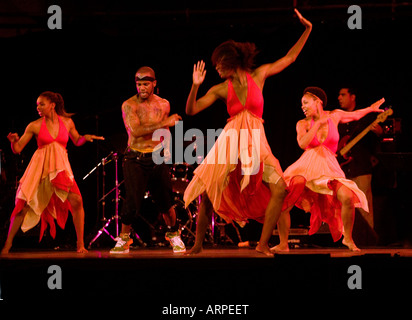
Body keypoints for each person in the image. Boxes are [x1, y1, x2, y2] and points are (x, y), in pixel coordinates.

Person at [183, 9, 312, 256]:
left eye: (220, 64)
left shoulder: (259, 75)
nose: (217, 69)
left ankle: (263, 243)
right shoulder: (222, 88)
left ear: (232, 62)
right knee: (209, 192)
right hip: (230, 141)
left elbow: (290, 58)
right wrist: (195, 86)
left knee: (278, 188)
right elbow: (192, 109)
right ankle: (198, 244)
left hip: (256, 142)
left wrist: (308, 29)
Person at [272, 87, 385, 252]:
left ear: (317, 101)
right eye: (301, 104)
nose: (302, 107)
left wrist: (370, 109)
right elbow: (303, 143)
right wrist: (317, 124)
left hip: (329, 167)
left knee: (347, 197)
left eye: (305, 103)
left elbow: (355, 115)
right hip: (307, 166)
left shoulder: (335, 115)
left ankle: (348, 238)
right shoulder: (302, 123)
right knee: (285, 199)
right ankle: (283, 243)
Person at [1, 91, 104, 254]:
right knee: (23, 206)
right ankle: (7, 244)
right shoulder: (34, 125)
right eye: (37, 105)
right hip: (40, 168)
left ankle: (80, 244)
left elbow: (76, 140)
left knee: (77, 201)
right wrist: (14, 142)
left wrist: (86, 137)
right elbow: (18, 149)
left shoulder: (67, 122)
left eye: (41, 104)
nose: (38, 108)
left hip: (60, 168)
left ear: (52, 105)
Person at [110, 66, 186, 254]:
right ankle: (124, 239)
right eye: (139, 84)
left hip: (158, 156)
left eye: (145, 84)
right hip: (135, 157)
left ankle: (174, 234)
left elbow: (165, 131)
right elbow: (135, 131)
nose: (142, 88)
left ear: (154, 83)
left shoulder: (164, 104)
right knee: (132, 203)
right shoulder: (129, 105)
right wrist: (164, 123)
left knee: (166, 202)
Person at [337, 87, 382, 231]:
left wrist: (379, 131)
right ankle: (345, 238)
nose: (339, 97)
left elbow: (380, 135)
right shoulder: (339, 118)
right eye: (339, 95)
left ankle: (368, 242)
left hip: (361, 167)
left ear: (352, 97)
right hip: (343, 169)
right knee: (344, 206)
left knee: (364, 206)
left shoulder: (365, 118)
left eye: (343, 94)